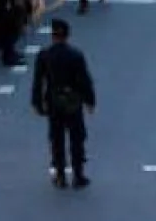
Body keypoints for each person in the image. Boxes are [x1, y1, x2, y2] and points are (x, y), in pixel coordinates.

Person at [31, 18, 96, 189]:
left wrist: (37, 103)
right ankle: (78, 175)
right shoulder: (76, 55)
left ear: (53, 35)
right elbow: (84, 80)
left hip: (53, 101)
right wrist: (90, 100)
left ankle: (60, 175)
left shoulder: (44, 55)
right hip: (73, 101)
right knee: (77, 137)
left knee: (56, 138)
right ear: (67, 35)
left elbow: (38, 81)